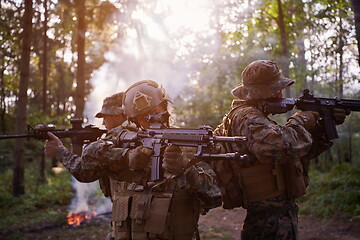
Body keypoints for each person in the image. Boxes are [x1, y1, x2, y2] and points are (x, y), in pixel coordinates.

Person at [45, 80, 222, 240]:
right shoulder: (120, 143)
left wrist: (185, 168)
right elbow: (85, 169)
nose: (153, 119)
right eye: (144, 117)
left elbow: (214, 198)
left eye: (156, 112)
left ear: (166, 108)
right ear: (132, 119)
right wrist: (125, 158)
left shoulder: (188, 144)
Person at [211, 60, 350, 240]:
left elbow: (298, 154)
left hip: (275, 215)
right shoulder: (247, 116)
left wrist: (322, 126)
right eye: (277, 89)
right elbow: (281, 146)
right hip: (268, 219)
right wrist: (301, 120)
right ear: (266, 92)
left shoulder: (256, 117)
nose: (280, 93)